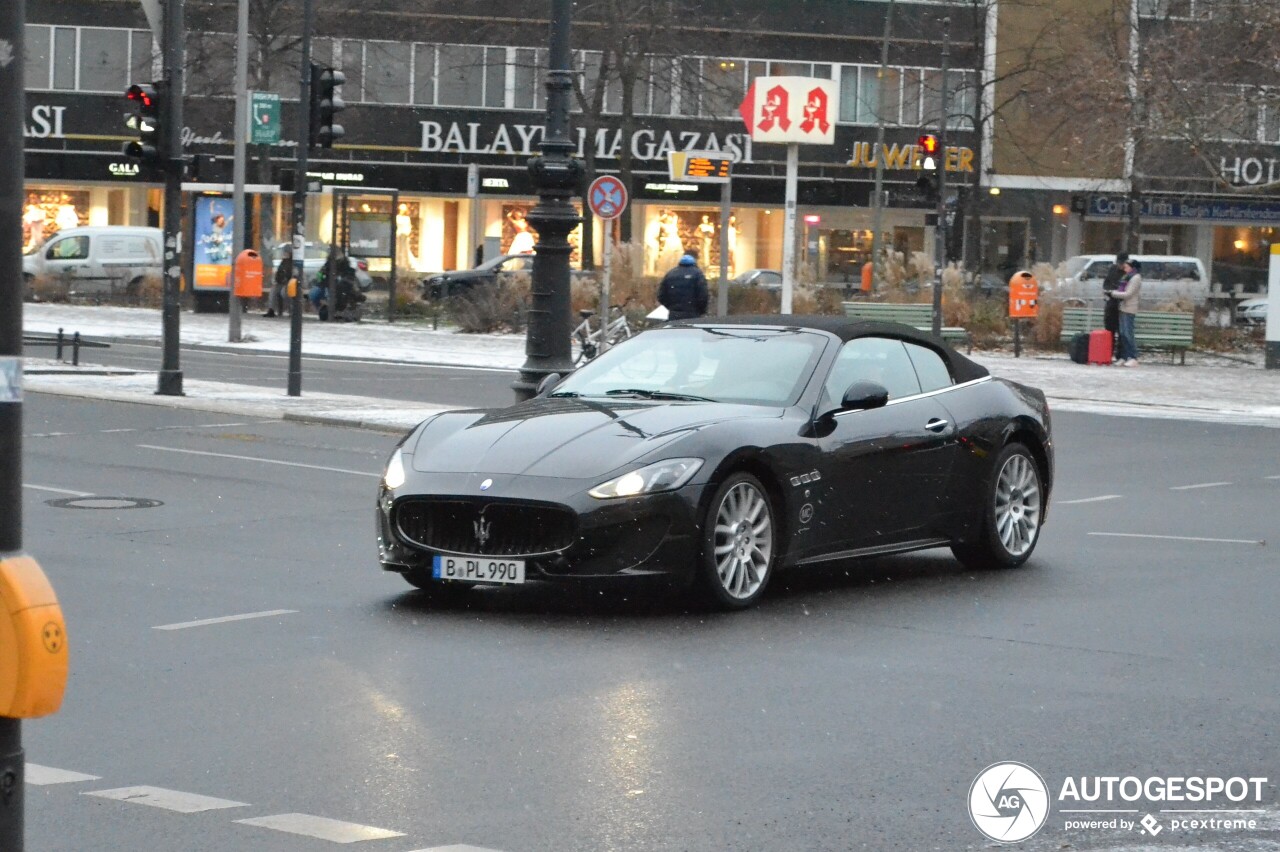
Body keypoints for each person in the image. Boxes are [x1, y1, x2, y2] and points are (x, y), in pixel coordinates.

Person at [1109, 258, 1143, 366]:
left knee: (1128, 333)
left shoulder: (1136, 278)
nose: (1125, 268)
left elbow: (1128, 294)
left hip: (1129, 308)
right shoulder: (1127, 277)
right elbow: (1122, 290)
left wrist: (1113, 293)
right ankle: (1124, 356)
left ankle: (1133, 356)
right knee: (1122, 334)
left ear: (1133, 268)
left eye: (1127, 266)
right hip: (1123, 307)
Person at [658, 254, 709, 321]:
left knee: (675, 329)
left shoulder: (670, 274)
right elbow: (703, 295)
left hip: (674, 313)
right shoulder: (698, 274)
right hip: (692, 314)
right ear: (694, 263)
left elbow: (661, 296)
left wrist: (671, 307)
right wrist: (701, 310)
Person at [1101, 251, 1128, 358]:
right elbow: (1106, 283)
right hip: (1111, 305)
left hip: (1122, 305)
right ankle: (1108, 353)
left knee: (1122, 332)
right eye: (1119, 263)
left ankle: (1120, 355)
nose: (1120, 265)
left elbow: (1127, 290)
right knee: (1109, 330)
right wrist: (1109, 290)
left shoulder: (1129, 273)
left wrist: (1116, 291)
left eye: (1122, 263)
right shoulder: (1112, 269)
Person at [264, 246, 291, 317]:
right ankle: (271, 310)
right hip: (281, 283)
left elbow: (291, 275)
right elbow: (279, 272)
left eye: (286, 252)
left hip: (290, 284)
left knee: (283, 292)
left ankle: (291, 309)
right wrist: (278, 279)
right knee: (273, 290)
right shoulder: (284, 261)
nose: (284, 254)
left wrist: (286, 278)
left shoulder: (292, 262)